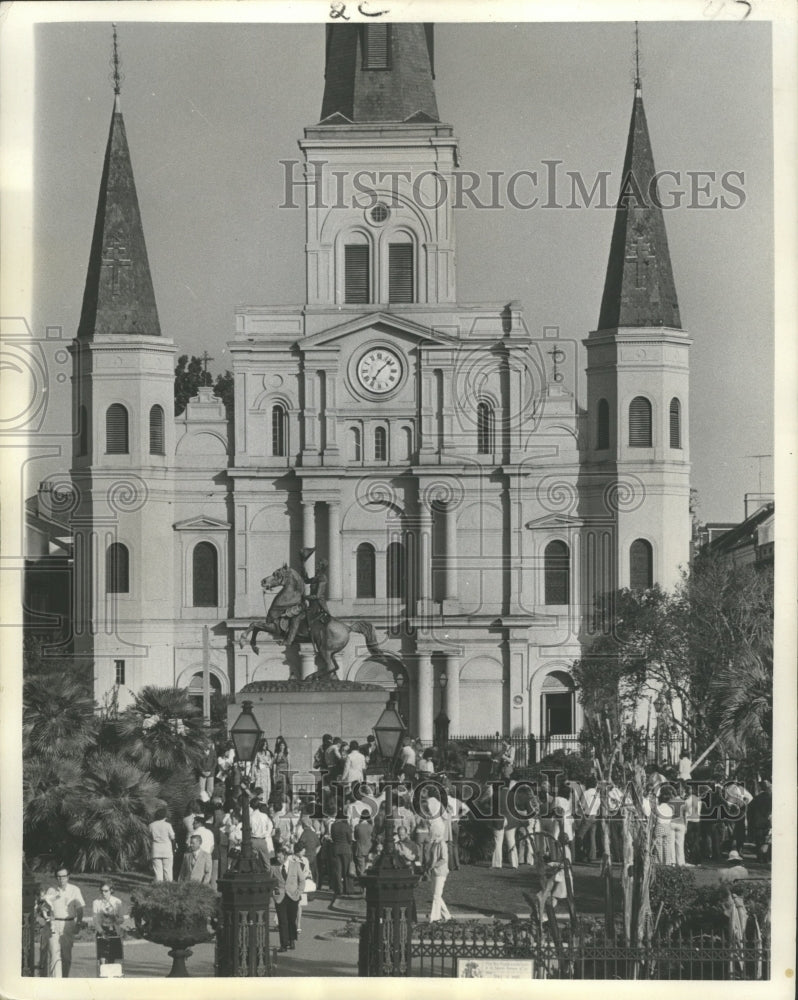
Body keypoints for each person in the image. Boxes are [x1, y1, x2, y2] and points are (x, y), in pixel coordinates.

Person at [44, 868, 85, 977]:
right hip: (53, 924)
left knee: (66, 957)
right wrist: (46, 916)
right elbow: (46, 908)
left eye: (63, 876)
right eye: (58, 876)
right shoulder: (51, 890)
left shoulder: (75, 890)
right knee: (54, 955)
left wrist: (79, 924)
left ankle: (64, 980)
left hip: (68, 925)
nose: (61, 879)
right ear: (56, 878)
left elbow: (80, 909)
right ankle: (56, 983)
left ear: (68, 876)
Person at [271, 846, 305, 952]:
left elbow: (302, 880)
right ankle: (283, 944)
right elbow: (270, 881)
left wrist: (298, 892)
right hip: (280, 897)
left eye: (280, 857)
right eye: (277, 857)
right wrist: (273, 893)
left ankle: (292, 940)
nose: (278, 859)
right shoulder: (274, 867)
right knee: (282, 920)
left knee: (291, 919)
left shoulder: (295, 865)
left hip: (293, 896)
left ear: (285, 856)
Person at [92, 883, 124, 974]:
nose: (103, 893)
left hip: (114, 930)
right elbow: (95, 920)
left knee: (114, 957)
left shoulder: (117, 902)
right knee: (102, 956)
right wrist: (101, 932)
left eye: (106, 891)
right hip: (102, 930)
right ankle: (103, 975)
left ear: (111, 891)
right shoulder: (96, 902)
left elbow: (122, 919)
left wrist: (115, 918)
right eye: (102, 891)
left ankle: (113, 976)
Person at [426, 817, 451, 922]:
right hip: (434, 872)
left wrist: (433, 865)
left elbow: (444, 859)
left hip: (441, 872)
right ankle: (447, 916)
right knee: (436, 895)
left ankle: (435, 917)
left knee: (436, 896)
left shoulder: (442, 844)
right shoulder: (434, 843)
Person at [148, 806, 176, 882]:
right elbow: (173, 837)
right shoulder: (168, 825)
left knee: (158, 872)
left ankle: (159, 888)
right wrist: (174, 848)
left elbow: (149, 836)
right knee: (168, 871)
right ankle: (169, 888)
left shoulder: (151, 825)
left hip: (156, 849)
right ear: (165, 816)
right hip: (166, 849)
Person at [330, 810, 354, 895]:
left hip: (336, 849)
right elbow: (350, 839)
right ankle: (348, 889)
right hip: (346, 849)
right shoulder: (346, 826)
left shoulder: (333, 826)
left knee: (338, 870)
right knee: (346, 870)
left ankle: (339, 889)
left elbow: (332, 837)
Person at [294, 844, 314, 935]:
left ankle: (298, 924)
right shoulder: (291, 859)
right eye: (303, 850)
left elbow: (307, 871)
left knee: (299, 905)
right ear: (298, 851)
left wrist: (303, 876)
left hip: (302, 884)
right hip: (293, 884)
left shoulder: (305, 860)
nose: (304, 852)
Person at [295, 817, 321, 884]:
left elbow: (300, 845)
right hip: (313, 855)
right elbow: (319, 845)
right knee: (314, 871)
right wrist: (315, 853)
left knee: (305, 871)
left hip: (306, 856)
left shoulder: (304, 834)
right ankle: (315, 884)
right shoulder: (313, 833)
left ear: (304, 825)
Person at [251, 739, 273, 805]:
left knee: (267, 788)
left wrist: (268, 763)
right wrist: (254, 774)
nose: (265, 746)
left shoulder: (268, 753)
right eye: (264, 744)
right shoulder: (257, 753)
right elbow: (254, 764)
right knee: (260, 788)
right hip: (260, 773)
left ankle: (266, 802)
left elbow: (270, 762)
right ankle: (258, 802)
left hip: (266, 772)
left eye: (266, 744)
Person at [354, 809, 374, 876]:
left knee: (361, 866)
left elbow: (355, 837)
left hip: (359, 848)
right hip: (369, 848)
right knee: (367, 865)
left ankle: (362, 879)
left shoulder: (357, 827)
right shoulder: (371, 827)